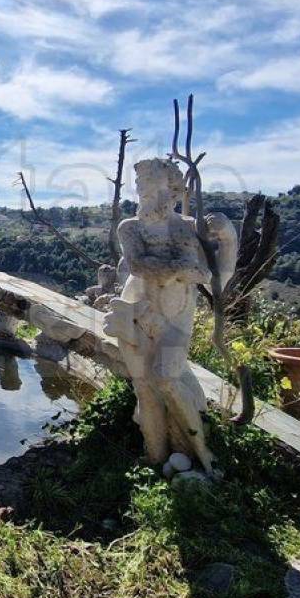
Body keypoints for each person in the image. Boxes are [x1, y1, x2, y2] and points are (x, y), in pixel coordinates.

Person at [104, 158, 215, 471]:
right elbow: (138, 265)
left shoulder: (187, 228)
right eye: (140, 184)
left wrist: (178, 270)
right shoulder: (130, 228)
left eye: (151, 182)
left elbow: (202, 273)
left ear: (172, 188)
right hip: (137, 309)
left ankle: (198, 451)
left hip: (176, 314)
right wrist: (176, 269)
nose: (142, 189)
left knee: (167, 377)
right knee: (144, 386)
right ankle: (155, 458)